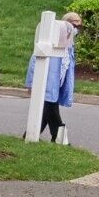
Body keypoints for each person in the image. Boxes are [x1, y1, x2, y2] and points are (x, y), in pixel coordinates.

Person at [27, 11, 79, 144]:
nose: (76, 29)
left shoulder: (69, 45)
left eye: (79, 27)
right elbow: (36, 61)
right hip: (46, 85)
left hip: (57, 85)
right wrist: (32, 83)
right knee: (50, 111)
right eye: (74, 25)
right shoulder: (51, 41)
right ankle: (59, 139)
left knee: (47, 111)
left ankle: (53, 137)